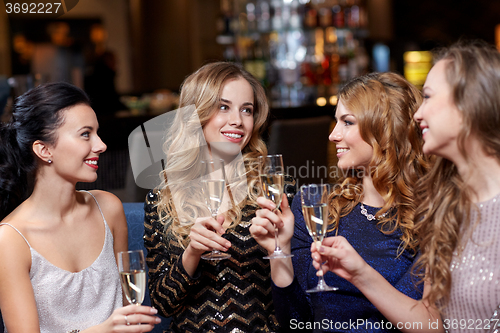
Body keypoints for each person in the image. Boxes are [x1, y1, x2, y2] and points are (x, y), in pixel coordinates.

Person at [313, 40, 500, 333]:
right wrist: (361, 273)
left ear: (469, 105)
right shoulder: (448, 206)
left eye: (428, 97)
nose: (415, 114)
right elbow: (434, 324)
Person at [250, 72, 430, 332]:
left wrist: (362, 274)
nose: (333, 135)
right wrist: (279, 251)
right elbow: (295, 323)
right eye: (336, 122)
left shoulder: (429, 217)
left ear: (385, 128)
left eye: (347, 122)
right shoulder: (317, 207)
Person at [144, 62, 294, 332]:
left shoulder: (276, 192)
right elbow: (163, 306)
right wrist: (191, 253)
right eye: (223, 107)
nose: (237, 120)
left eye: (246, 110)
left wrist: (279, 250)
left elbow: (298, 304)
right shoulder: (162, 200)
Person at [0, 82, 160, 333]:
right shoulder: (10, 239)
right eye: (86, 134)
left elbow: (131, 314)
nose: (101, 145)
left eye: (97, 132)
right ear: (44, 149)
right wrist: (104, 330)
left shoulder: (109, 208)